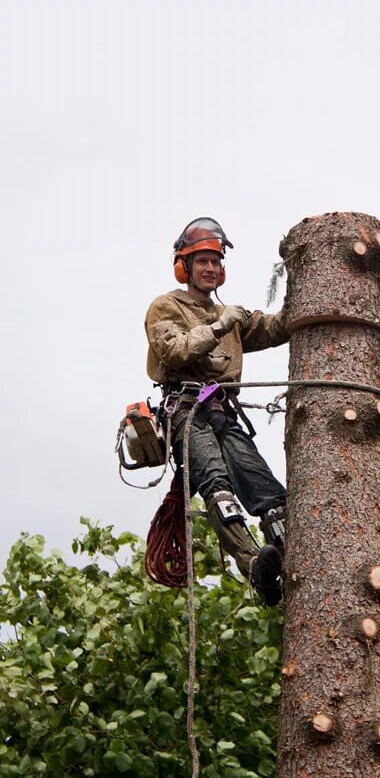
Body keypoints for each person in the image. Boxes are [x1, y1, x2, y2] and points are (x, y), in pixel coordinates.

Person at [144, 217, 287, 604]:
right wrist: (221, 326)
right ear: (184, 267)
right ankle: (254, 562)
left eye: (216, 262)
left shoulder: (231, 317)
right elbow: (175, 350)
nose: (210, 269)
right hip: (188, 412)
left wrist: (305, 290)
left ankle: (290, 554)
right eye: (202, 261)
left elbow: (277, 327)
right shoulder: (167, 307)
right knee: (217, 484)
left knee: (266, 490)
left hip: (224, 413)